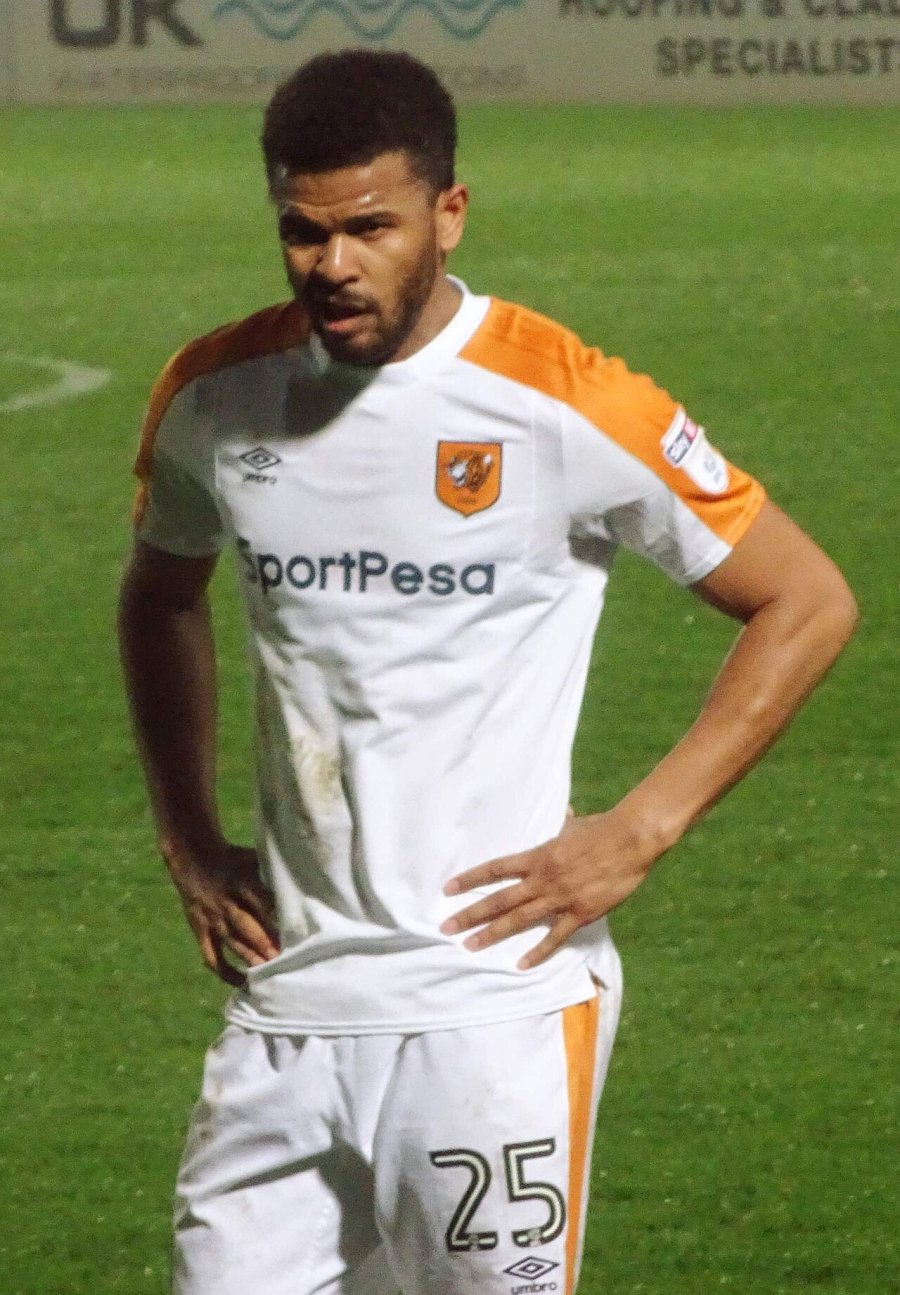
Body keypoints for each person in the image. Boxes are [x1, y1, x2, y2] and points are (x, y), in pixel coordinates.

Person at [118, 49, 857, 1295]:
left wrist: (640, 829)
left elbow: (807, 597)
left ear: (448, 213)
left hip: (491, 1011)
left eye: (370, 227)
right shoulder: (215, 397)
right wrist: (187, 838)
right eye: (302, 230)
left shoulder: (562, 400)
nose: (332, 263)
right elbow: (158, 594)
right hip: (286, 1007)